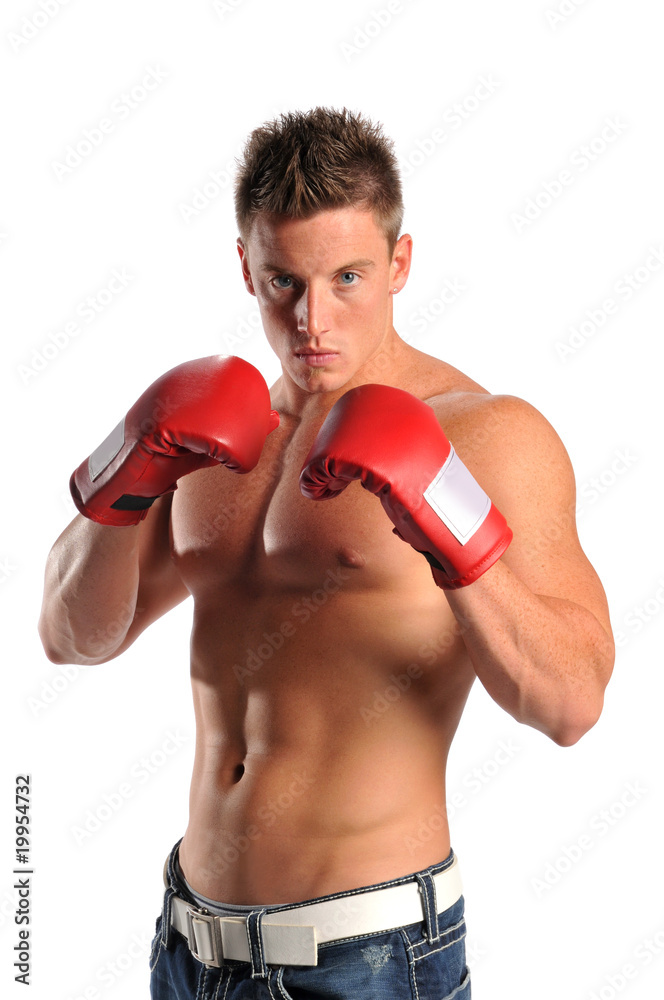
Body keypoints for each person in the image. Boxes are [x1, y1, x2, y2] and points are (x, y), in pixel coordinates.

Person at [38, 107, 615, 999]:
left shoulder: (489, 435)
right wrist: (131, 459)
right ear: (246, 269)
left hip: (367, 956)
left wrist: (446, 523)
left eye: (348, 277)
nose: (313, 319)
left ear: (401, 263)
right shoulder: (210, 433)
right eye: (283, 283)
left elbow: (572, 704)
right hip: (189, 947)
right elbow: (72, 637)